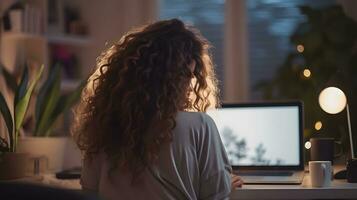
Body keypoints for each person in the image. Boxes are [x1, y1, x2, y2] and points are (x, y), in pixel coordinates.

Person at [72, 18, 243, 200]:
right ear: (168, 78)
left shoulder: (105, 124)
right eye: (186, 75)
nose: (189, 85)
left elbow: (89, 190)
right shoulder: (200, 125)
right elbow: (215, 196)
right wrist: (224, 185)